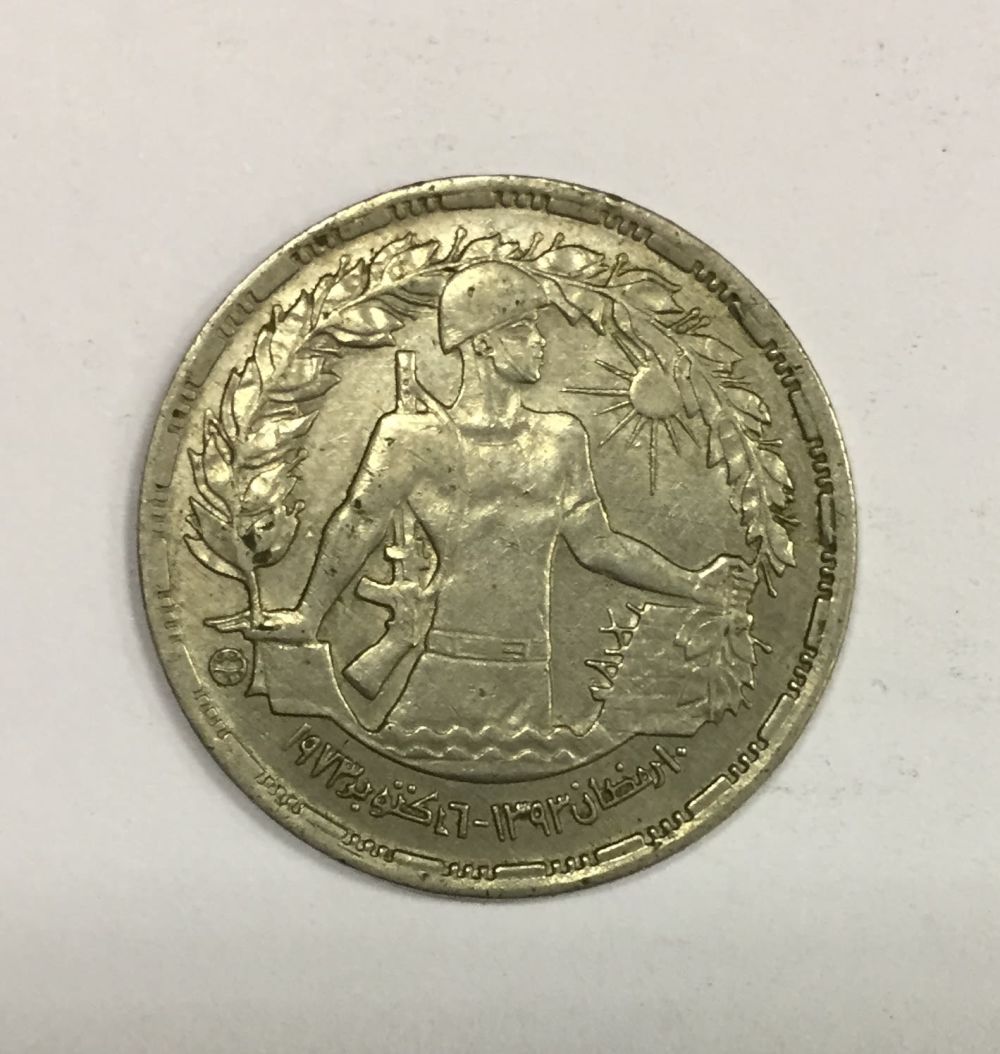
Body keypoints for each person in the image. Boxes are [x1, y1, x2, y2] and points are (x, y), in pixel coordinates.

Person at [242, 261, 753, 756]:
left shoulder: (561, 437)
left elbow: (598, 546)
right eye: (522, 328)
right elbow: (357, 523)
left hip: (531, 679)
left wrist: (694, 585)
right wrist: (308, 617)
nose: (541, 341)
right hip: (444, 676)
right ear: (481, 342)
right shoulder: (412, 439)